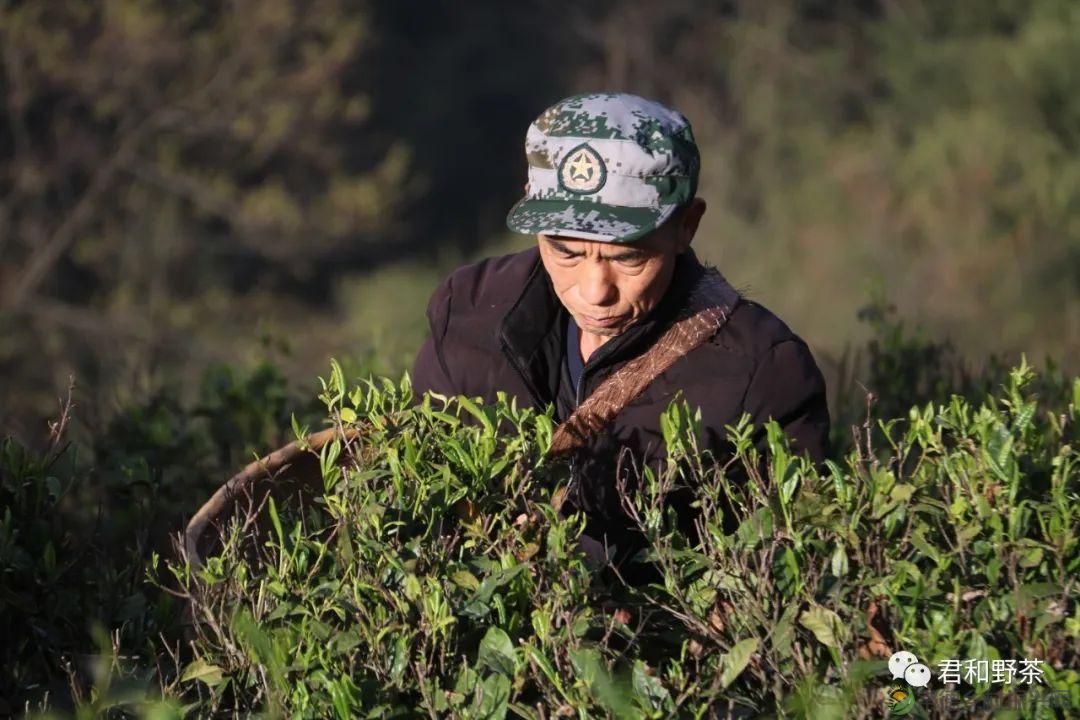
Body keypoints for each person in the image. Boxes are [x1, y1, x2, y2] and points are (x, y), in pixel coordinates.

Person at [412, 92, 829, 570]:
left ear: (686, 226)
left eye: (628, 257)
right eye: (567, 252)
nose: (595, 291)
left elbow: (781, 572)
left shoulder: (763, 373)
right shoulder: (467, 313)